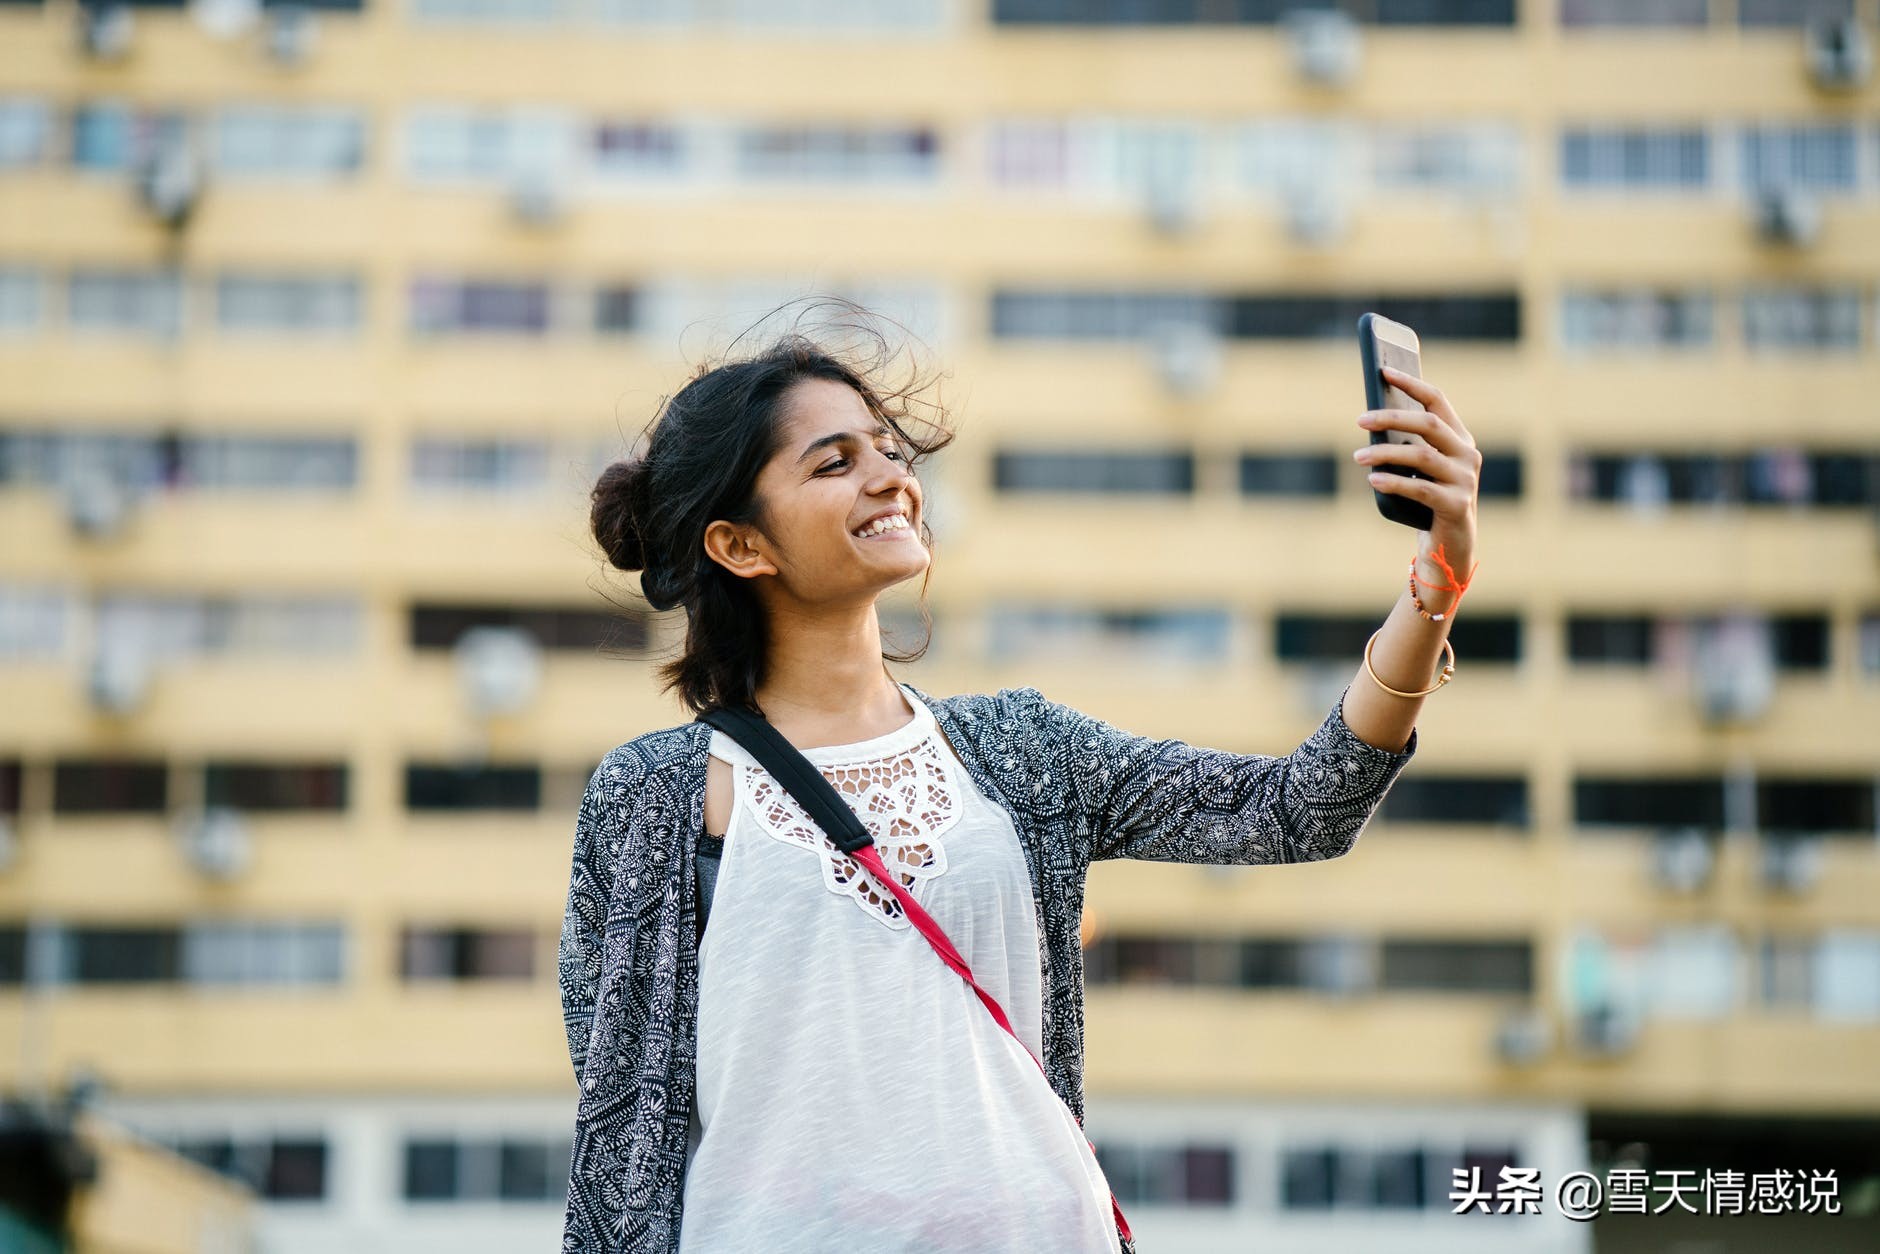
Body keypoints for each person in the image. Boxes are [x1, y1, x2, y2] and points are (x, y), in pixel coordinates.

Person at [560, 311, 1481, 1253]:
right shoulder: (657, 795)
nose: (890, 477)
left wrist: (1437, 586)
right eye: (832, 463)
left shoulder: (1020, 749)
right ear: (740, 545)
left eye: (886, 449)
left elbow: (1298, 810)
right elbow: (620, 1119)